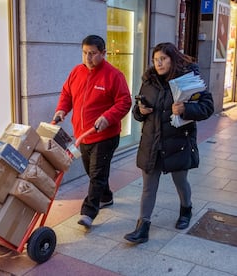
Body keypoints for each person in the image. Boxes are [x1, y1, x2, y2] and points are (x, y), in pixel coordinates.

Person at [124, 42, 214, 243]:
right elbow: (137, 111)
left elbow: (208, 107)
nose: (159, 63)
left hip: (178, 142)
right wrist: (140, 111)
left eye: (163, 59)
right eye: (156, 60)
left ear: (173, 58)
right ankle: (143, 226)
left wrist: (186, 109)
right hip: (152, 142)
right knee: (148, 186)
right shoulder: (148, 81)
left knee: (180, 181)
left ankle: (186, 209)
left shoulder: (188, 80)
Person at [53, 35, 132, 228]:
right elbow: (67, 94)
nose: (88, 58)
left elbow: (125, 102)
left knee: (96, 173)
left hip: (105, 135)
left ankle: (89, 212)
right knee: (92, 171)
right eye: (85, 53)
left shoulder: (114, 75)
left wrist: (107, 117)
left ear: (103, 53)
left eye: (93, 54)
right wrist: (62, 109)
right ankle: (105, 196)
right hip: (83, 135)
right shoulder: (76, 72)